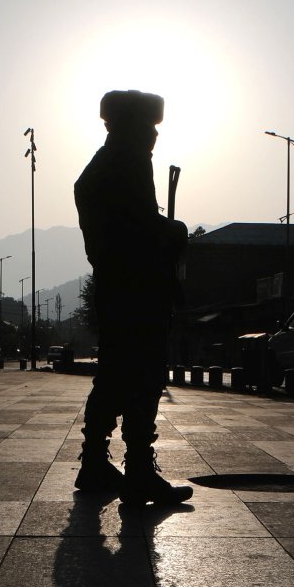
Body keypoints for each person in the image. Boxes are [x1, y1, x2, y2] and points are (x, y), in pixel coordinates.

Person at [73, 89, 193, 506]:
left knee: (113, 375)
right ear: (129, 127)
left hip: (120, 287)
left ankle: (94, 463)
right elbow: (135, 228)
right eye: (148, 129)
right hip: (135, 290)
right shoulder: (126, 163)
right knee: (142, 376)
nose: (153, 138)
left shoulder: (109, 165)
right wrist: (171, 233)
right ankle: (139, 470)